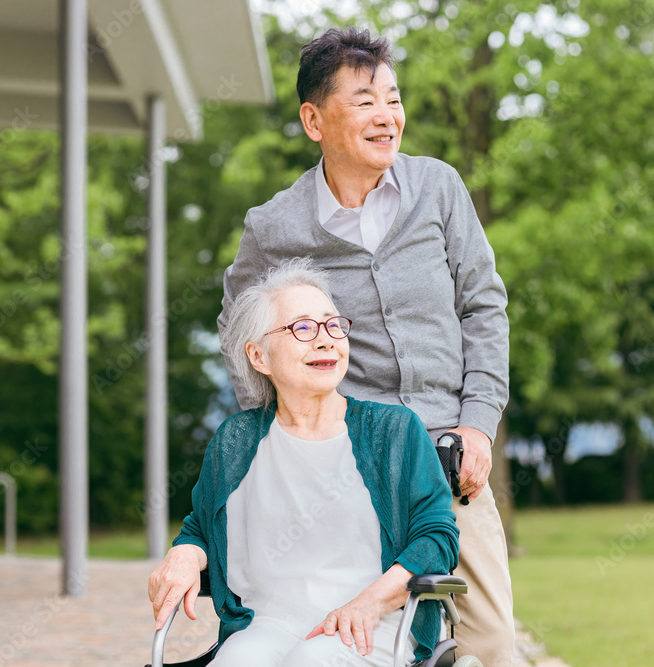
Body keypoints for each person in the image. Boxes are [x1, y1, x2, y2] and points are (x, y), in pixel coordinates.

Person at [216, 27, 514, 667]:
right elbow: (242, 331)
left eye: (393, 98)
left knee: (490, 647)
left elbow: (484, 305)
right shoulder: (275, 225)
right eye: (364, 100)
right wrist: (289, 431)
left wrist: (480, 424)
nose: (387, 116)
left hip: (454, 459)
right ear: (314, 119)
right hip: (352, 471)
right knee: (350, 643)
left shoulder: (438, 188)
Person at [149, 261, 459, 666]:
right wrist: (185, 553)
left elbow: (436, 539)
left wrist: (369, 603)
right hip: (268, 624)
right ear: (259, 356)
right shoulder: (236, 440)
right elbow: (202, 526)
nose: (327, 340)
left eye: (333, 326)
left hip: (375, 624)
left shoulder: (393, 431)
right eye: (303, 328)